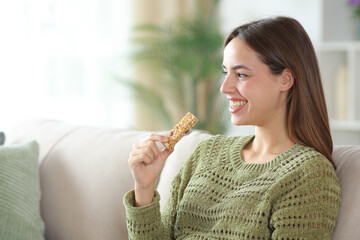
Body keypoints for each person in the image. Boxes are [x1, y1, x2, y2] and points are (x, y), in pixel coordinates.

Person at [123, 16, 341, 239]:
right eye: (225, 72)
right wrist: (144, 188)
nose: (225, 87)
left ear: (285, 80)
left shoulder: (309, 175)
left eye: (241, 74)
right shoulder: (206, 153)